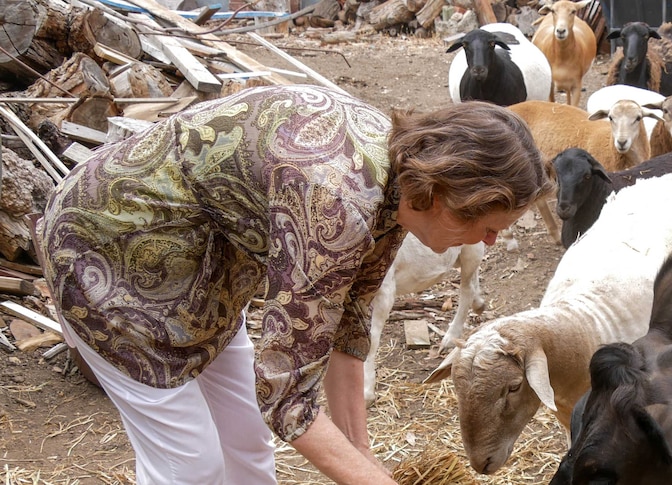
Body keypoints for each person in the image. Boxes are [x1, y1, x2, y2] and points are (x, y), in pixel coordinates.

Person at [37, 84, 551, 484]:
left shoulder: (399, 183)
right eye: (487, 226)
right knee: (190, 468)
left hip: (205, 269)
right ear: (446, 193)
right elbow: (284, 397)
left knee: (248, 444)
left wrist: (363, 458)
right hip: (106, 253)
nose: (486, 243)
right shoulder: (336, 198)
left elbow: (348, 326)